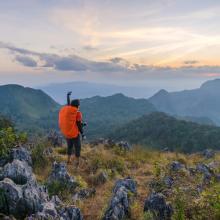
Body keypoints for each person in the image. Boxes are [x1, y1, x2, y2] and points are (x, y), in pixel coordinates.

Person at [59, 92, 85, 167]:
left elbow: (68, 104)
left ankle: (68, 160)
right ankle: (77, 163)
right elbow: (79, 125)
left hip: (67, 133)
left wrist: (67, 96)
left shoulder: (68, 110)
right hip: (74, 134)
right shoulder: (77, 113)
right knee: (78, 147)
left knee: (69, 146)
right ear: (77, 105)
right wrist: (82, 134)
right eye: (79, 105)